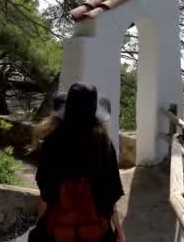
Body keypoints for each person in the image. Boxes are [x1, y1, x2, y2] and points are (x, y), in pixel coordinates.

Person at [29, 83, 125, 242]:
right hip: (95, 232)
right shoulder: (103, 145)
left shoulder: (52, 142)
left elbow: (46, 194)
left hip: (58, 231)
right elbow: (110, 197)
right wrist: (119, 232)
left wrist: (41, 224)